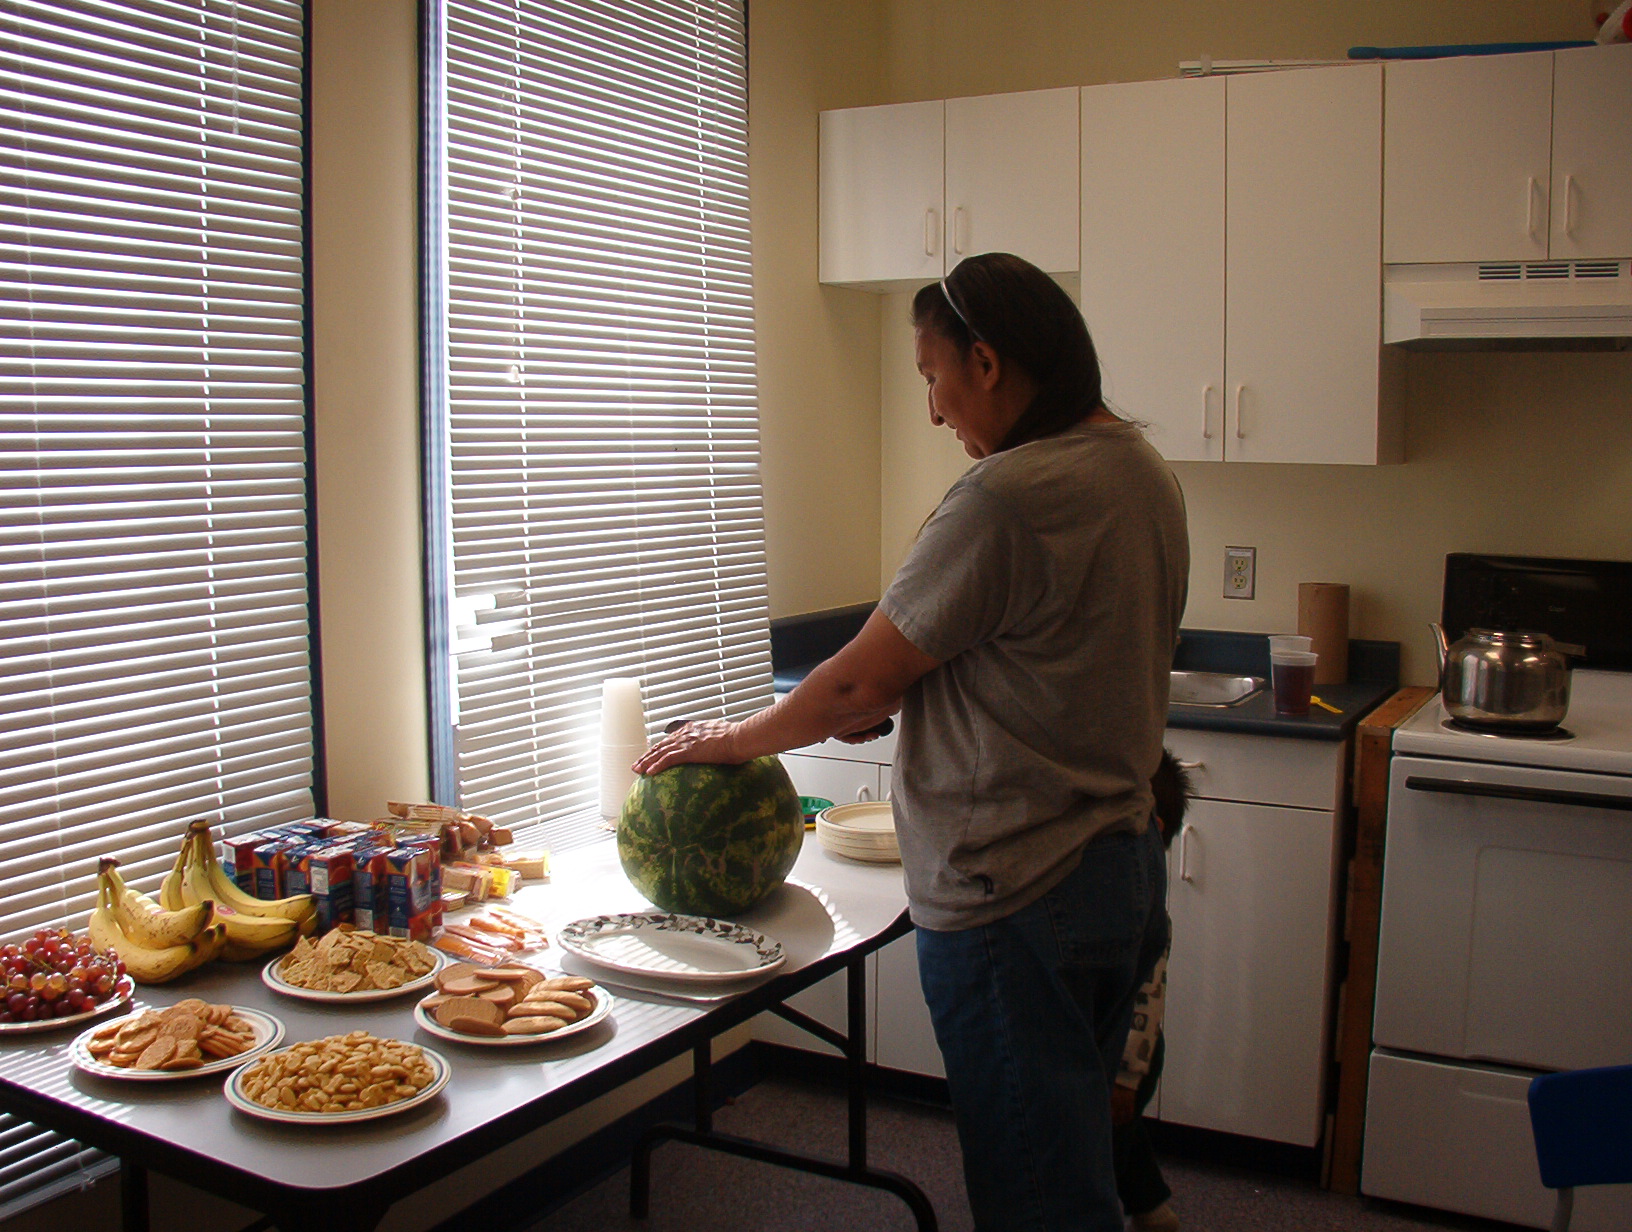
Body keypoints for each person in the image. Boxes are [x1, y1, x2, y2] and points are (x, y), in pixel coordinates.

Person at [634, 251, 1190, 1232]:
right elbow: (1042, 658)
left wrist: (732, 739)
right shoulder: (1143, 471)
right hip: (1120, 872)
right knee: (1083, 1161)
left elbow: (856, 677)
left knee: (1037, 1200)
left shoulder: (1007, 496)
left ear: (985, 361)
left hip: (1015, 894)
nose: (932, 408)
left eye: (932, 375)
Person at [1112, 749, 1194, 1232]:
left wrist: (1126, 1076)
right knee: (1120, 1135)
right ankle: (1152, 1207)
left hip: (1132, 1052)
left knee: (1103, 1142)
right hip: (1120, 1047)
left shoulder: (1140, 911)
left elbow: (1145, 1002)